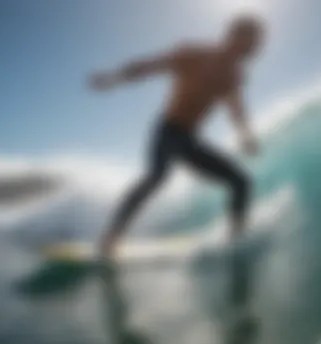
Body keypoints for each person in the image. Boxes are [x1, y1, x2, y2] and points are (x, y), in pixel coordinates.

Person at [89, 15, 265, 258]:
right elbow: (149, 66)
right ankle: (111, 238)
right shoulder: (193, 54)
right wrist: (112, 79)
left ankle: (237, 237)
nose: (258, 47)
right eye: (255, 40)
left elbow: (235, 107)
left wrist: (246, 135)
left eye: (259, 42)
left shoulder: (234, 75)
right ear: (236, 37)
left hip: (191, 139)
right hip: (168, 131)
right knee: (157, 176)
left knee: (241, 182)